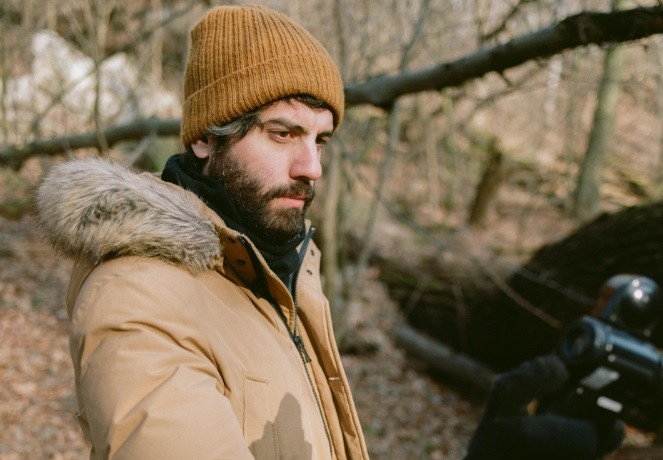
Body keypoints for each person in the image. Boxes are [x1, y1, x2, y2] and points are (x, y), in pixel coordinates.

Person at [35, 4, 624, 459]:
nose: (311, 167)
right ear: (205, 138)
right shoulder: (141, 298)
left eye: (321, 139)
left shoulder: (277, 271)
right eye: (283, 133)